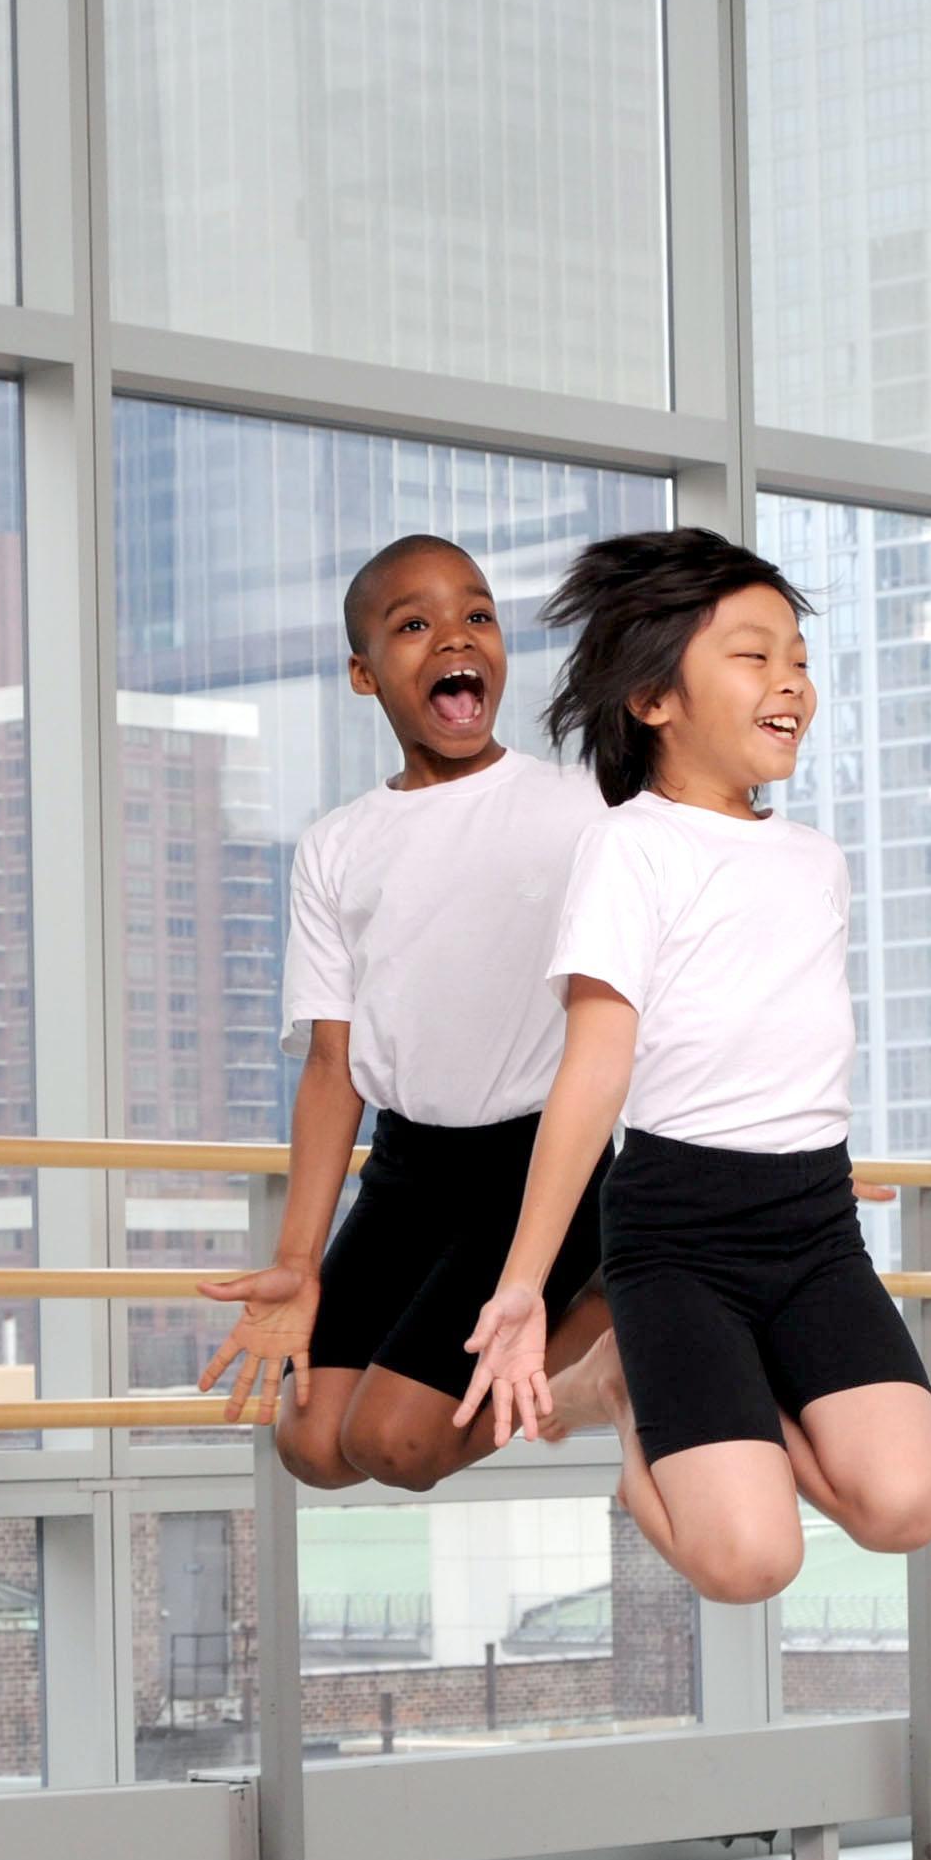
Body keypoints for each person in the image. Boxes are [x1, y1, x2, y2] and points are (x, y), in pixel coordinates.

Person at [456, 528, 931, 1605]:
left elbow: (782, 1028)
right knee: (750, 1563)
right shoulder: (632, 847)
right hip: (678, 1235)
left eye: (800, 661)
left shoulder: (818, 861)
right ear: (652, 699)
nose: (790, 683)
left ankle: (660, 1374)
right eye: (752, 655)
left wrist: (811, 1147)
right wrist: (526, 1284)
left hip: (813, 1222)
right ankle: (629, 1387)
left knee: (905, 1506)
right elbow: (594, 1069)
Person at [198, 536, 616, 1490]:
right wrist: (298, 1261)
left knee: (396, 1444)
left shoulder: (584, 812)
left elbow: (663, 997)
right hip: (408, 1170)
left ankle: (607, 1326)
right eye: (413, 625)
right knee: (311, 1444)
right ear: (363, 673)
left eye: (476, 616)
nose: (452, 639)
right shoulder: (336, 845)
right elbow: (330, 1067)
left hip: (540, 1163)